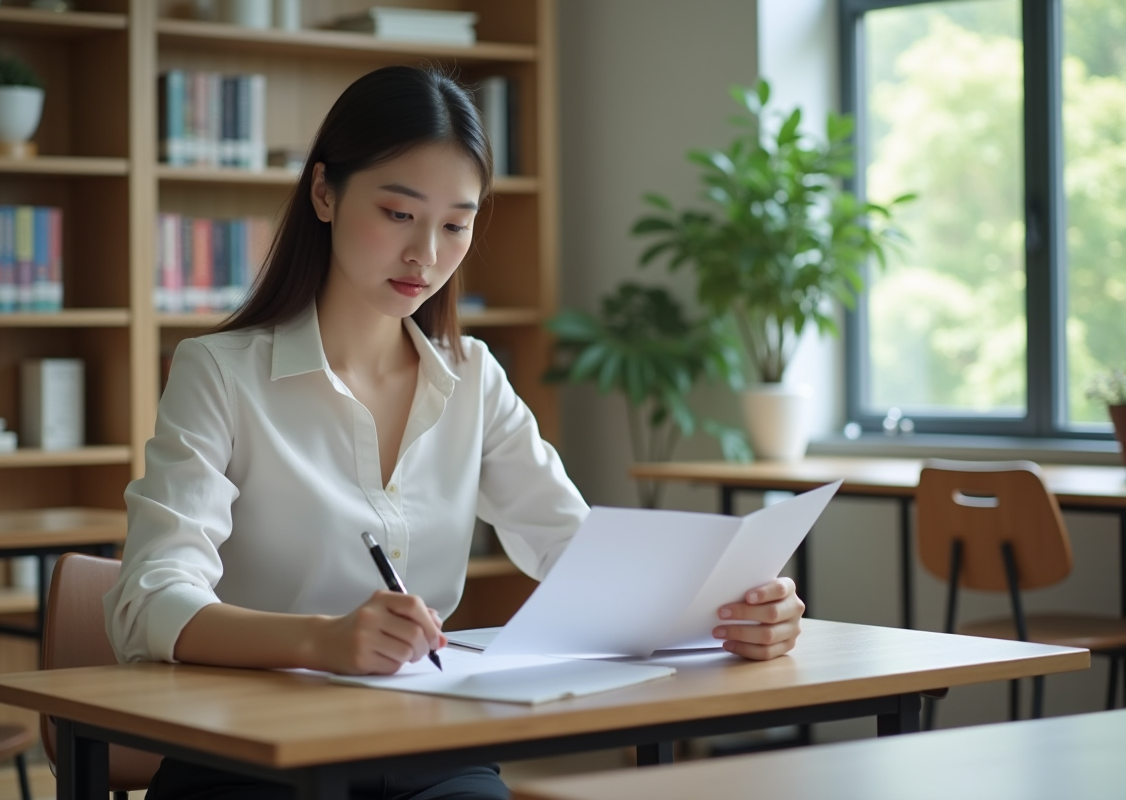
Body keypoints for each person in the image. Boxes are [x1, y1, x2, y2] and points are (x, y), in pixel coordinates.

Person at [104, 65, 806, 800]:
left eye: (455, 224)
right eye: (398, 214)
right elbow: (148, 601)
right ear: (324, 194)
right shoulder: (219, 373)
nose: (426, 255)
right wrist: (321, 639)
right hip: (251, 752)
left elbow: (578, 551)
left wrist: (732, 612)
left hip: (425, 746)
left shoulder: (472, 378)